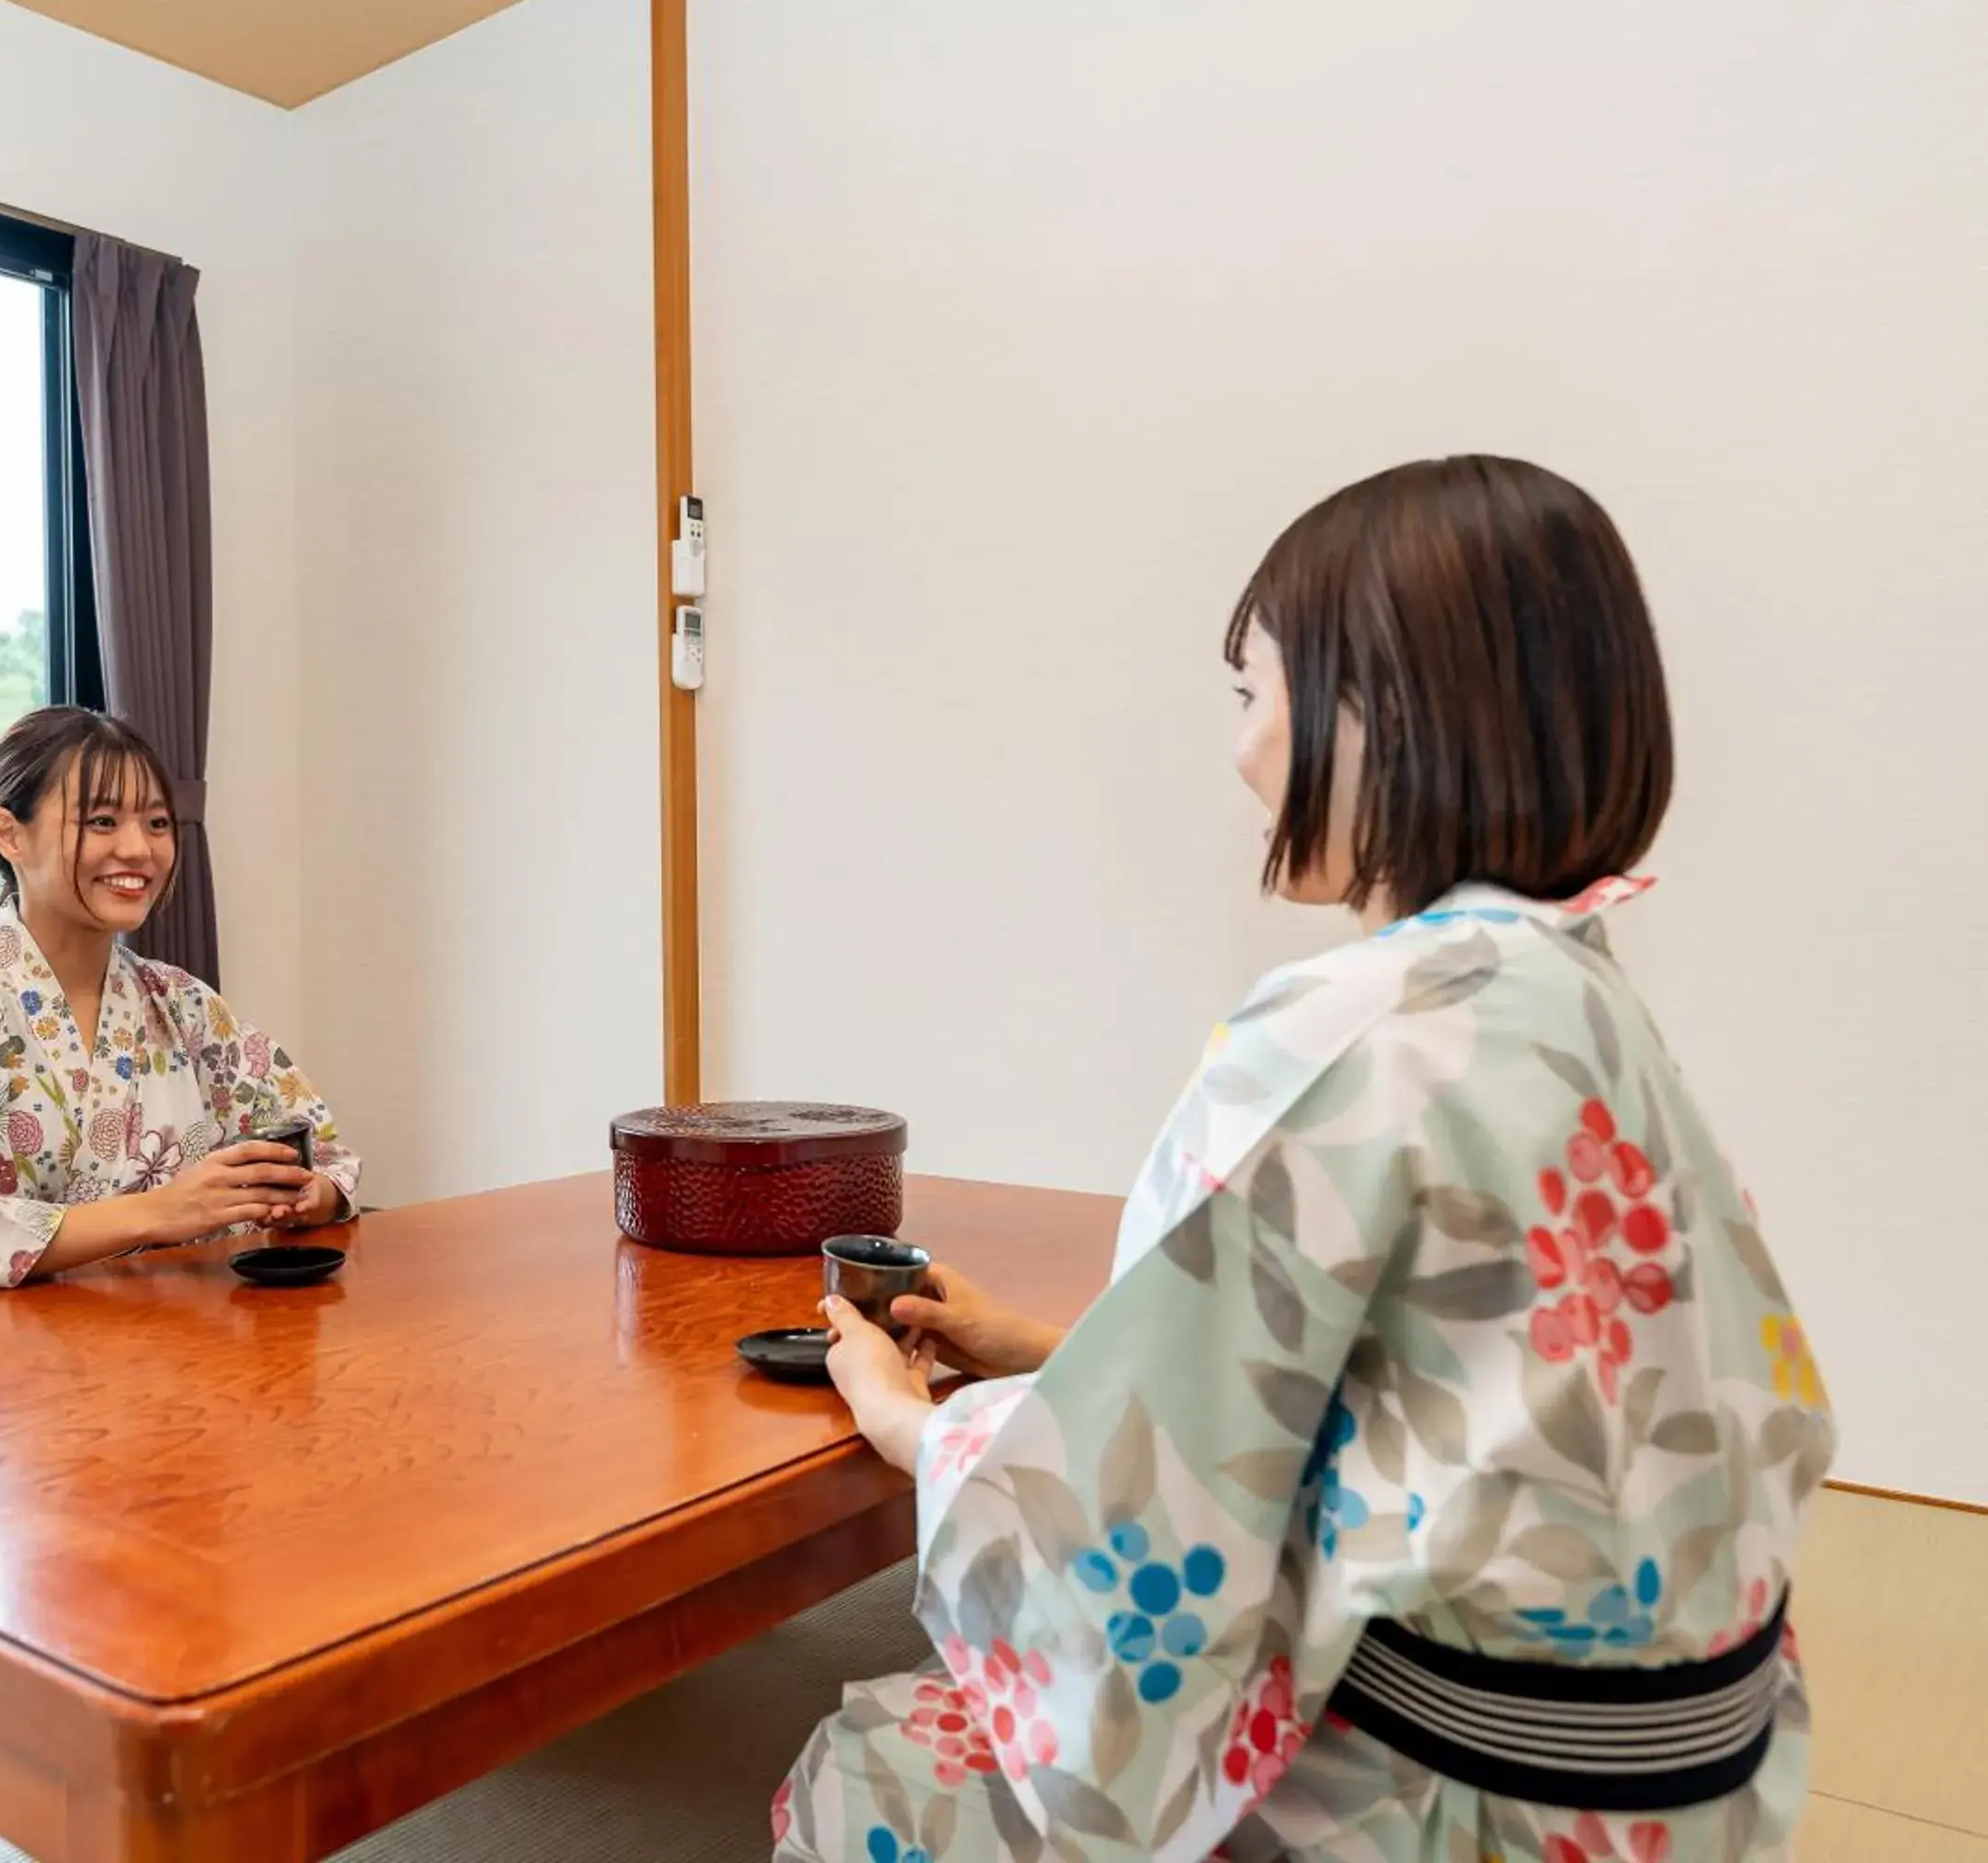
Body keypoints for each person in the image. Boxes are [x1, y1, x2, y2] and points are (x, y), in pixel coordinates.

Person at [775, 458, 1831, 1862]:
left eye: (1255, 691)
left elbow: (1123, 1544)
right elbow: (1455, 1395)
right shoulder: (1584, 995)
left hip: (1456, 1809)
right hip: (1690, 1789)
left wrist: (918, 1429)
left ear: (1381, 712)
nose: (1243, 751)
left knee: (867, 1776)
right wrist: (1056, 1354)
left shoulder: (1351, 1028)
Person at [0, 706, 359, 1303]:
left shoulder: (181, 1003)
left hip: (173, 1356)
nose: (138, 849)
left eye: (158, 823)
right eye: (102, 821)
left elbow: (323, 1150)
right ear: (10, 834)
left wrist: (303, 1195)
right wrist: (161, 1211)